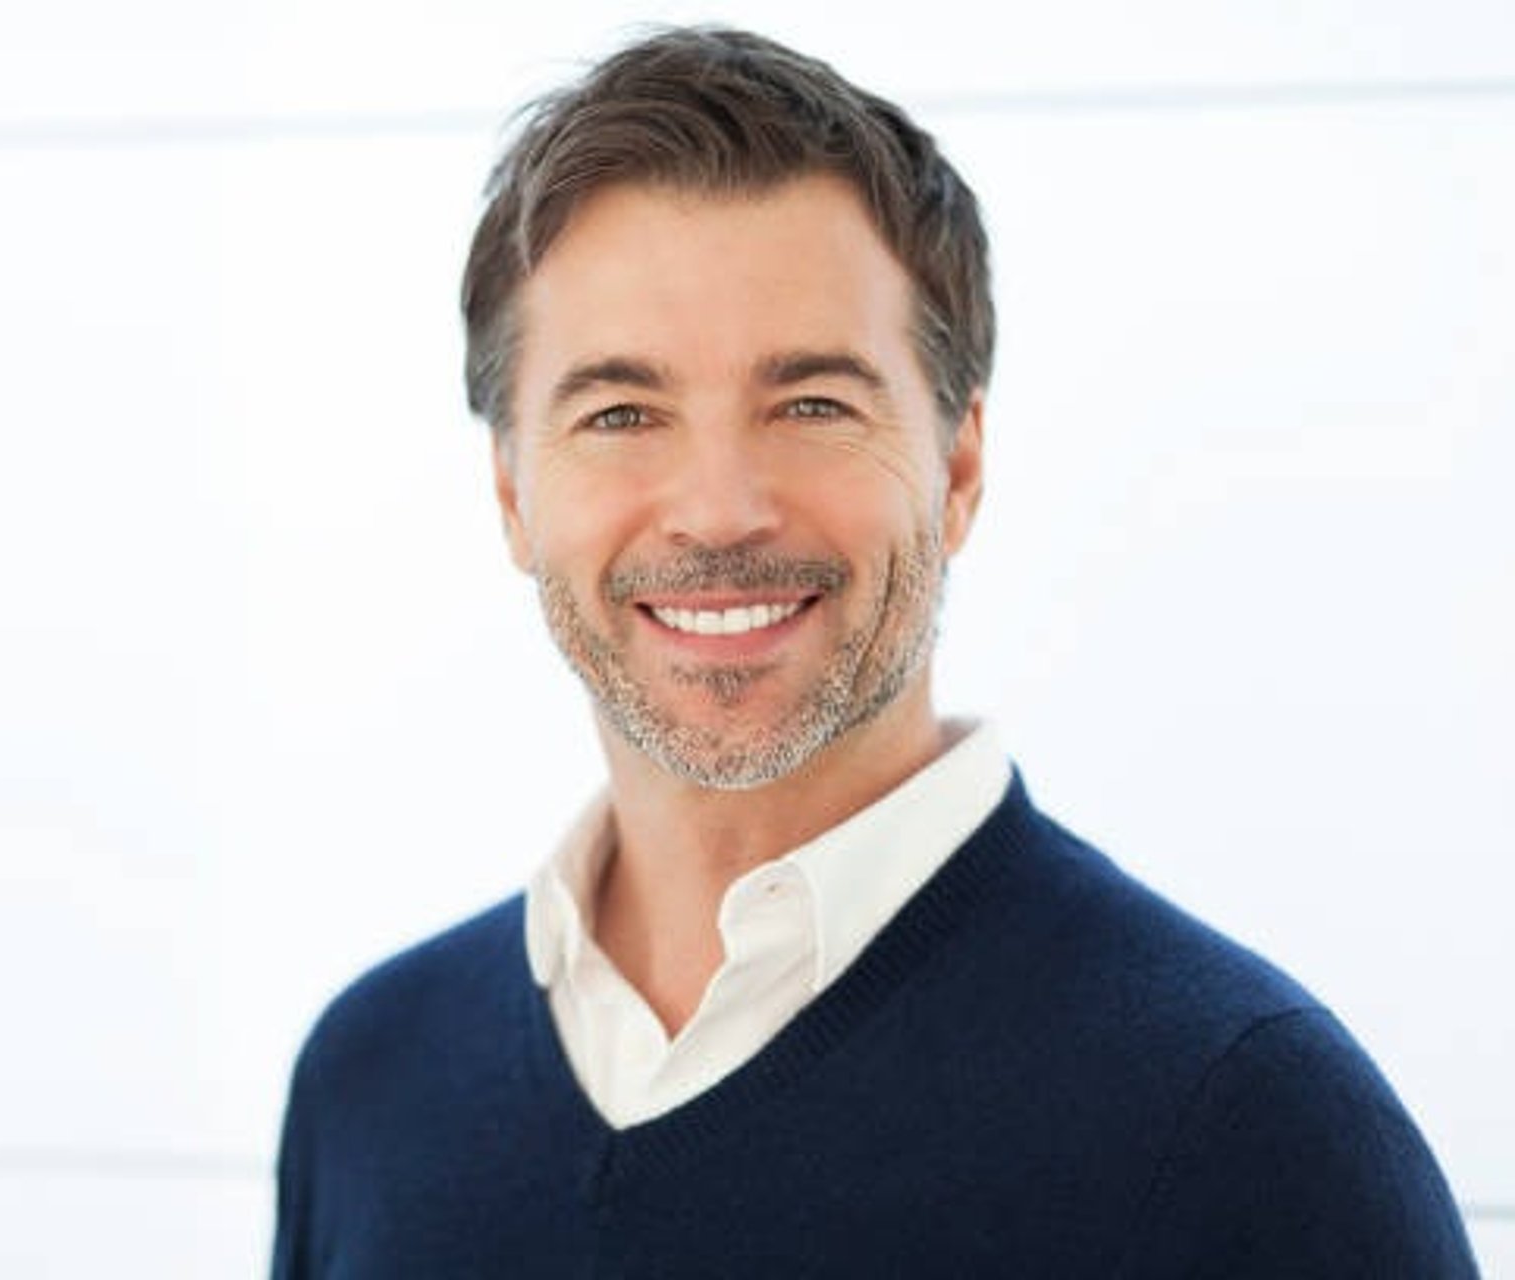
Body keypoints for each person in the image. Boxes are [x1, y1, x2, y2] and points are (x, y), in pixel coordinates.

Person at [270, 26, 1476, 1278]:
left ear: (958, 467)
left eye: (813, 405)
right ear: (515, 496)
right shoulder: (372, 1079)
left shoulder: (1245, 1124)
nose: (719, 507)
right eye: (622, 412)